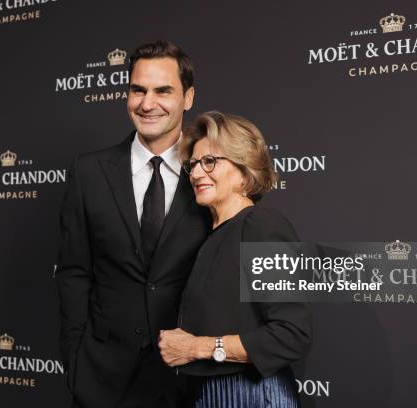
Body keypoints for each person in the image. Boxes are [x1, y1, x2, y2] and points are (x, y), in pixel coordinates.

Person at [55, 40, 211, 408]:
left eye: (163, 91)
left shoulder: (209, 174)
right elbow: (74, 271)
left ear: (188, 98)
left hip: (187, 382)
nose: (147, 103)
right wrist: (75, 360)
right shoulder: (88, 172)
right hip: (101, 380)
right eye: (137, 90)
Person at [158, 111, 312, 407]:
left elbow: (291, 334)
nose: (197, 173)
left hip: (251, 394)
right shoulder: (209, 235)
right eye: (193, 165)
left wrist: (197, 347)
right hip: (206, 394)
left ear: (245, 169)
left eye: (210, 161)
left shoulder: (261, 225)